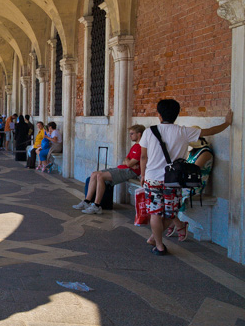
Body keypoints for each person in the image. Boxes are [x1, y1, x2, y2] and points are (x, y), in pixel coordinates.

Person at [139, 99, 232, 255]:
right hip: (173, 180)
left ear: (159, 115)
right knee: (171, 213)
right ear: (177, 114)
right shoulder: (183, 131)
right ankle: (155, 238)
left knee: (155, 213)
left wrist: (143, 175)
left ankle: (159, 245)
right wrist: (227, 123)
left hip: (152, 178)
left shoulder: (149, 131)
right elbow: (210, 131)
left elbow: (143, 157)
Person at [73, 124, 145, 214]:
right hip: (123, 168)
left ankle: (97, 205)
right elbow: (125, 160)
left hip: (130, 171)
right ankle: (87, 201)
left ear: (139, 134)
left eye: (132, 134)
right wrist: (129, 163)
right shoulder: (134, 146)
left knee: (100, 176)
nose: (130, 136)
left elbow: (129, 162)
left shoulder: (141, 147)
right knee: (94, 174)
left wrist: (129, 163)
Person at [165, 131, 215, 241]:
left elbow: (194, 168)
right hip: (186, 183)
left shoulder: (205, 153)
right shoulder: (193, 152)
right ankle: (176, 222)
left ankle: (177, 223)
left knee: (171, 198)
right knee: (166, 194)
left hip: (195, 185)